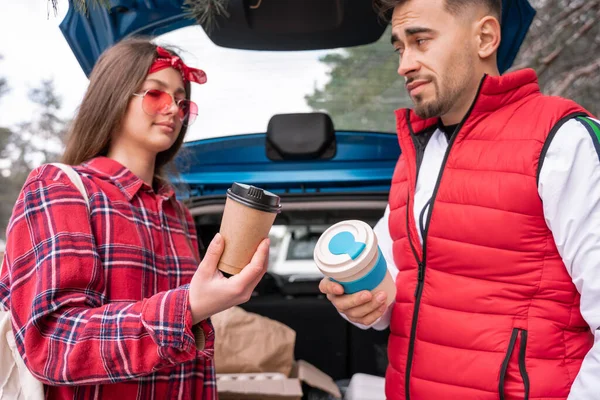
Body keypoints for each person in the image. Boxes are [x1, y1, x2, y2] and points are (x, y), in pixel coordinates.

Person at [319, 0, 600, 398]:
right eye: (400, 48)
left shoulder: (562, 139)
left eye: (421, 41)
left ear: (485, 37)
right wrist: (362, 306)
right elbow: (393, 295)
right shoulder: (417, 151)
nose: (404, 65)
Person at [0, 37, 270, 399]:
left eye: (182, 101)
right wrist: (190, 305)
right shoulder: (59, 188)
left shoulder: (179, 215)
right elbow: (53, 343)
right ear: (112, 96)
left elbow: (195, 367)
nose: (173, 109)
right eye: (156, 94)